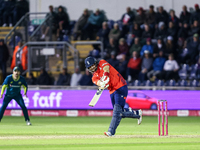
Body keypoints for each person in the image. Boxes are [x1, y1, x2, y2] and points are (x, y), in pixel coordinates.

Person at [84, 56, 142, 137]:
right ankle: (137, 113)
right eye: (90, 67)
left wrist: (106, 76)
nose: (92, 67)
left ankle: (111, 132)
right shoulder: (94, 77)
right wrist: (102, 84)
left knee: (117, 112)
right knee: (119, 112)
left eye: (93, 65)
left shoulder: (101, 62)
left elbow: (106, 68)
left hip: (120, 86)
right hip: (112, 91)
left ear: (95, 62)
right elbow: (98, 83)